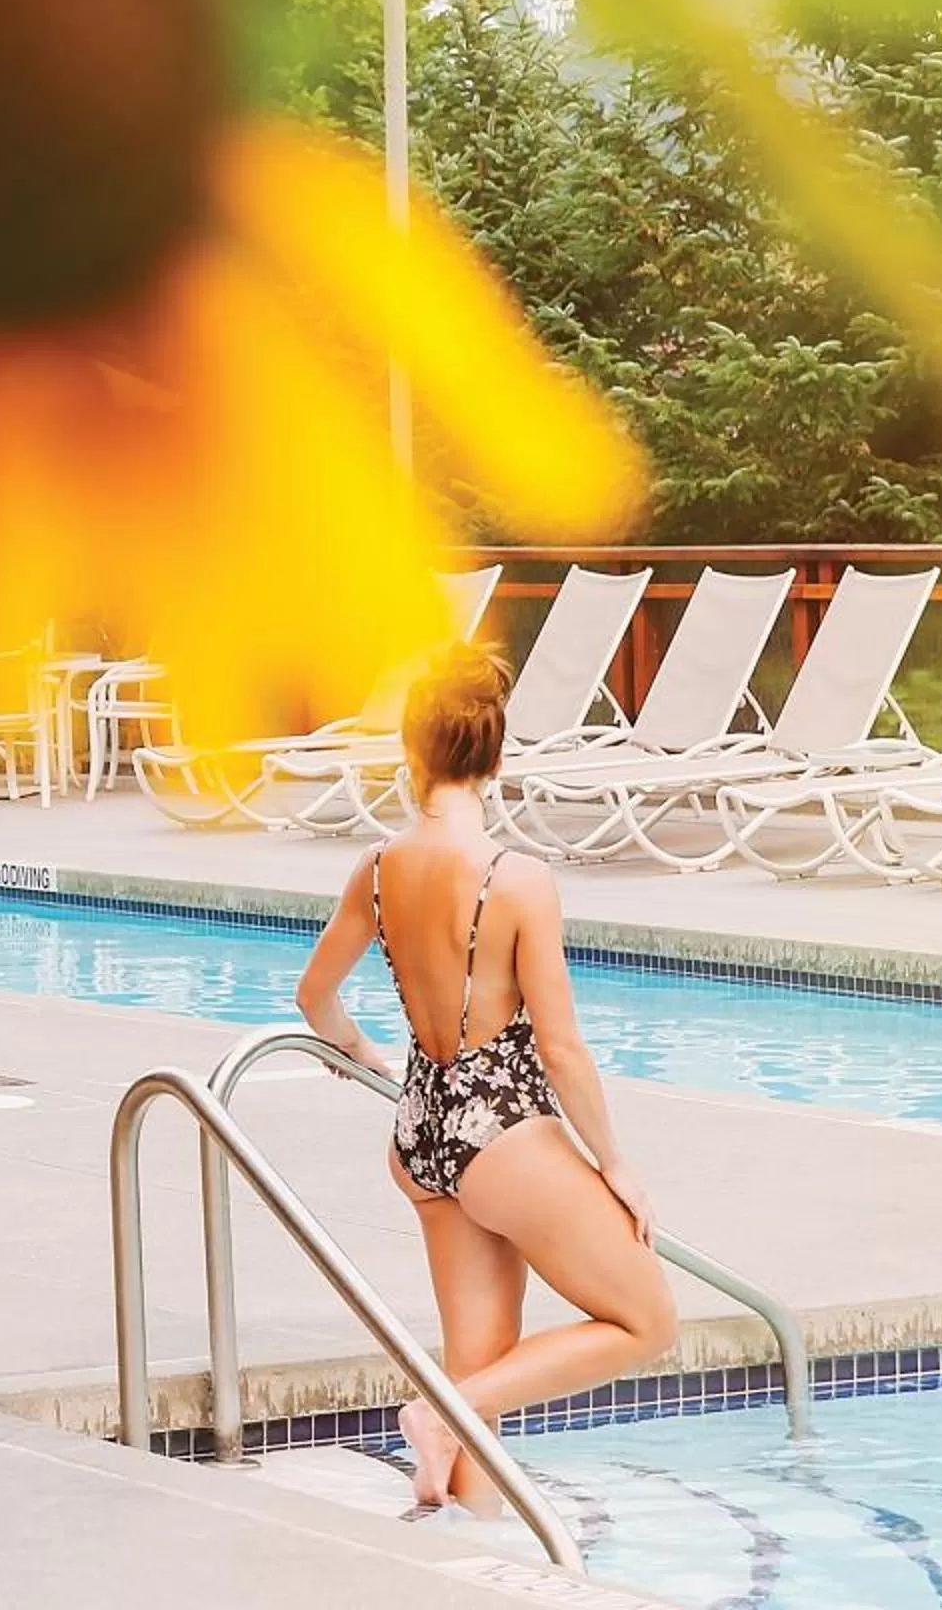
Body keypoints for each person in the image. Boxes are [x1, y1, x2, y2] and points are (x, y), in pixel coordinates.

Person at [294, 645, 674, 1514]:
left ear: (412, 751)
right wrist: (614, 1161)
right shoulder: (518, 880)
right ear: (495, 756)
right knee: (648, 1320)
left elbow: (316, 996)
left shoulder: (379, 869)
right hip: (500, 1132)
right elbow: (562, 1050)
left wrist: (370, 1057)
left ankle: (471, 1545)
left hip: (422, 1131)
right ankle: (438, 1413)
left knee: (481, 1364)